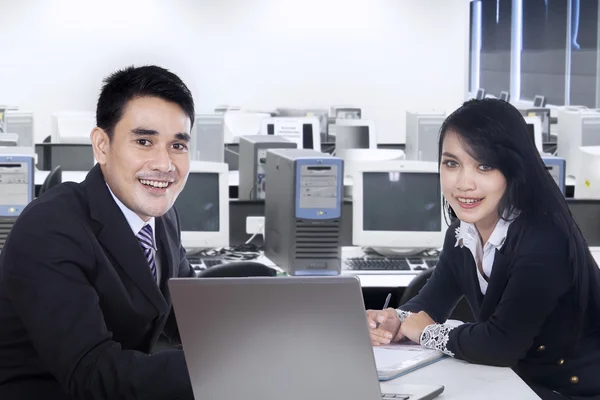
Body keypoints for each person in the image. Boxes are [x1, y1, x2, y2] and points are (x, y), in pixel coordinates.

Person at [367, 99, 600, 400]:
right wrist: (394, 319)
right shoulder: (462, 234)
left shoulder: (544, 240)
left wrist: (426, 333)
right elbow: (431, 304)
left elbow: (500, 345)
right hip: (516, 384)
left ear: (513, 169)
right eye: (451, 163)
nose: (464, 183)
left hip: (573, 392)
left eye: (485, 166)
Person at [0, 65, 197, 400]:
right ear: (102, 145)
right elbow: (92, 374)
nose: (165, 165)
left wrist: (252, 336)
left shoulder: (162, 216)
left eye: (177, 146)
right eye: (144, 141)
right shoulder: (50, 227)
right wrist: (217, 368)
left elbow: (186, 306)